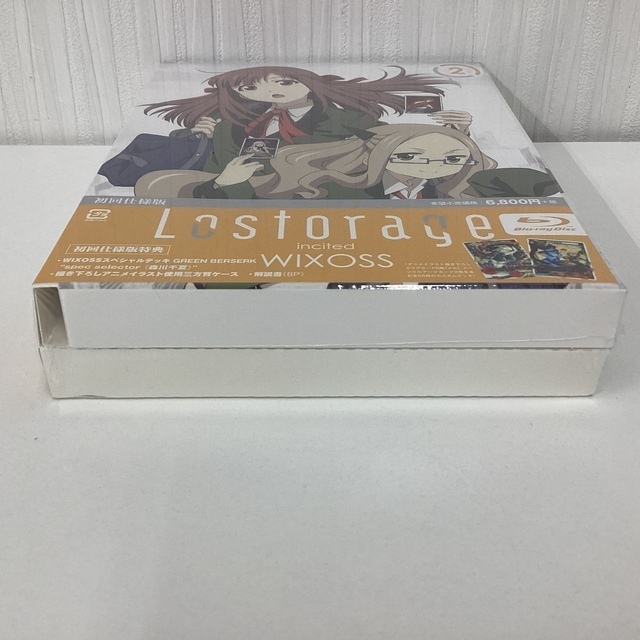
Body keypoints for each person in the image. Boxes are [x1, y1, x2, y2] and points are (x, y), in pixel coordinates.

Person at [142, 66, 467, 198]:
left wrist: (458, 134)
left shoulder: (346, 119)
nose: (271, 91)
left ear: (311, 84)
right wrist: (197, 137)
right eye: (251, 87)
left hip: (324, 203)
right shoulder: (230, 124)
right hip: (247, 205)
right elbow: (208, 167)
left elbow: (396, 143)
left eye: (285, 82)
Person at [208, 123, 560, 200]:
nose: (433, 166)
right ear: (380, 153)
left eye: (454, 159)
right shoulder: (335, 186)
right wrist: (224, 184)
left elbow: (532, 184)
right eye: (408, 157)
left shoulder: (459, 186)